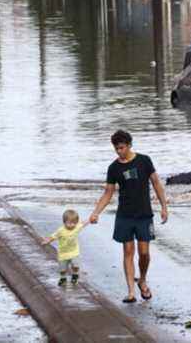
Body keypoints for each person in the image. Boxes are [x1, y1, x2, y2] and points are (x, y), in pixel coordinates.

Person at [90, 130, 168, 303]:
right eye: (116, 148)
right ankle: (131, 291)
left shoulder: (144, 161)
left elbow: (156, 183)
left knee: (144, 253)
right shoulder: (114, 168)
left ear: (130, 145)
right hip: (124, 215)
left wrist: (164, 206)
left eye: (122, 148)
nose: (119, 151)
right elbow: (108, 193)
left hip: (144, 215)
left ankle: (142, 279)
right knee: (128, 251)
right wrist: (96, 212)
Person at [41, 209, 91, 286]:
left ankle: (75, 275)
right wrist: (47, 241)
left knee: (75, 265)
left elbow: (84, 223)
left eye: (74, 223)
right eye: (69, 223)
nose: (72, 225)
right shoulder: (61, 230)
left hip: (74, 252)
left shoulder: (76, 227)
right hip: (63, 253)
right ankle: (63, 278)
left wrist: (91, 218)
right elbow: (53, 237)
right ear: (64, 222)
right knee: (62, 269)